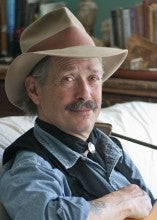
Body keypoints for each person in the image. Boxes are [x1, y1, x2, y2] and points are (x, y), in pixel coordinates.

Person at [0, 7, 155, 220]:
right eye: (68, 78)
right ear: (34, 90)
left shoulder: (108, 146)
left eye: (93, 78)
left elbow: (149, 206)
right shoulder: (30, 166)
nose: (85, 94)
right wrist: (122, 203)